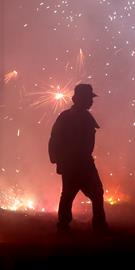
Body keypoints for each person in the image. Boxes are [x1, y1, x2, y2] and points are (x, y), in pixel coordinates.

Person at [48, 83, 108, 233]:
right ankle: (97, 225)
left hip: (76, 162)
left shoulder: (75, 116)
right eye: (89, 98)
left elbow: (54, 138)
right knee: (90, 191)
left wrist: (57, 158)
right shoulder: (71, 117)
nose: (91, 101)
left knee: (70, 193)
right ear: (81, 99)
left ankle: (63, 225)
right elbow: (55, 138)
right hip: (78, 163)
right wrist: (57, 158)